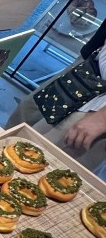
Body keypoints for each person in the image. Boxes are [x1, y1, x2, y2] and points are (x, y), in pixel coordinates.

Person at [6, 17, 106, 173]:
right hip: (92, 63)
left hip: (100, 108)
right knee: (23, 117)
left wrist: (102, 118)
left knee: (43, 155)